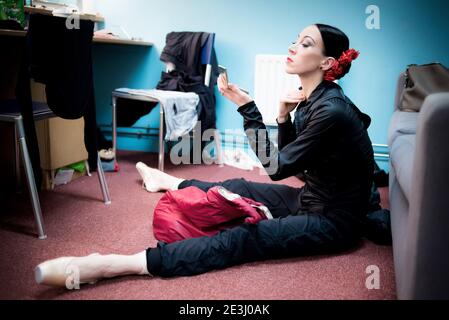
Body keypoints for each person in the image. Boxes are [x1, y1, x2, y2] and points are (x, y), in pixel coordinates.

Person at [34, 23, 375, 287]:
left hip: (333, 221)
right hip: (311, 197)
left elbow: (275, 167)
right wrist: (283, 115)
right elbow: (289, 159)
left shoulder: (331, 110)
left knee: (245, 237)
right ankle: (167, 180)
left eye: (305, 44)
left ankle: (115, 264)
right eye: (295, 39)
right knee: (239, 184)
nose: (292, 47)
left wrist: (249, 110)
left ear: (327, 62)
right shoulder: (314, 99)